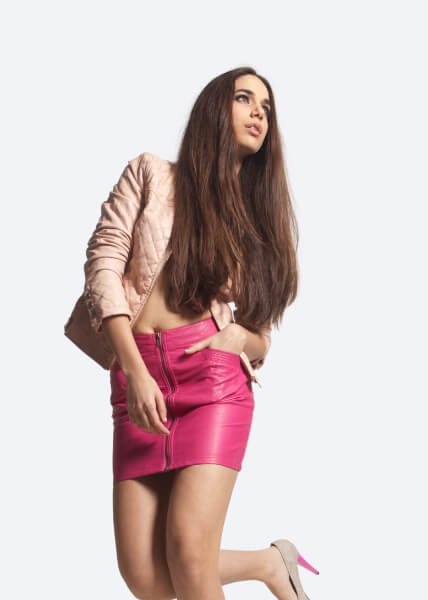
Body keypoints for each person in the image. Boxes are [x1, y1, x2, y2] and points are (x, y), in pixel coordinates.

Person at [75, 66, 319, 599]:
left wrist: (237, 341)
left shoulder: (252, 219)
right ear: (214, 108)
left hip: (210, 380)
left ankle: (271, 564)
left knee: (189, 553)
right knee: (144, 575)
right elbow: (103, 264)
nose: (259, 113)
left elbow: (259, 334)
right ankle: (271, 563)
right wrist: (134, 371)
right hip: (136, 374)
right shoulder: (149, 173)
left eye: (267, 108)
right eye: (245, 98)